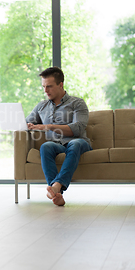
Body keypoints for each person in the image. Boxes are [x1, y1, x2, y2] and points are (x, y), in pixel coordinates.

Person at [26, 67, 92, 206]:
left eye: (49, 86)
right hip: (56, 145)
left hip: (78, 143)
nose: (45, 90)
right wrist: (26, 125)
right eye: (44, 86)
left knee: (75, 144)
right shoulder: (41, 106)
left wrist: (49, 127)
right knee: (45, 147)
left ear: (60, 85)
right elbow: (27, 122)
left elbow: (78, 128)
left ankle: (56, 186)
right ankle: (57, 194)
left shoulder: (77, 103)